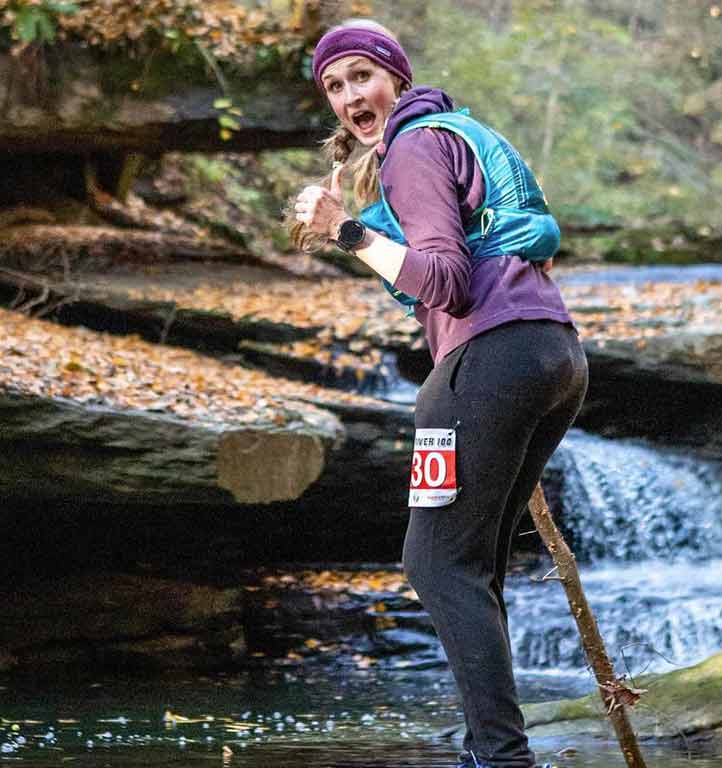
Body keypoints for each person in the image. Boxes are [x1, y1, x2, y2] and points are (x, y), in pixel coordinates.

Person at [291, 19, 588, 768]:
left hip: (485, 361)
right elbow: (444, 260)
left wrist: (349, 232)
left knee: (435, 565)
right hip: (553, 354)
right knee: (474, 564)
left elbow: (447, 282)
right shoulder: (459, 133)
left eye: (362, 75)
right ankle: (490, 751)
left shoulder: (415, 146)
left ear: (396, 75)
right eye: (334, 86)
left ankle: (498, 758)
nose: (350, 96)